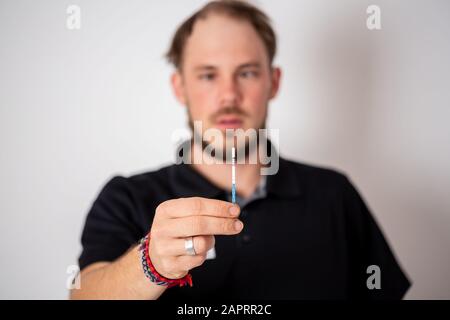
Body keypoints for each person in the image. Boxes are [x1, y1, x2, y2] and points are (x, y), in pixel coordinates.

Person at [70, 0, 410, 300]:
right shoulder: (127, 198)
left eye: (246, 72)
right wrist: (152, 262)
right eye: (208, 75)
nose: (229, 95)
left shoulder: (334, 195)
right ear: (180, 87)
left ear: (273, 82)